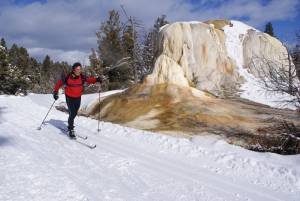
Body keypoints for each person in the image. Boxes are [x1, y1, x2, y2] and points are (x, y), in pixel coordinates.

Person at [53, 62, 102, 139]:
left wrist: (96, 79)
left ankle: (70, 123)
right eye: (77, 69)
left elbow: (89, 80)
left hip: (78, 97)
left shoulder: (82, 77)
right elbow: (59, 83)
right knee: (72, 113)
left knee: (75, 113)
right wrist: (55, 92)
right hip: (69, 97)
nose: (79, 71)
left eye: (80, 69)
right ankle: (71, 128)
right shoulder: (67, 77)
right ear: (73, 70)